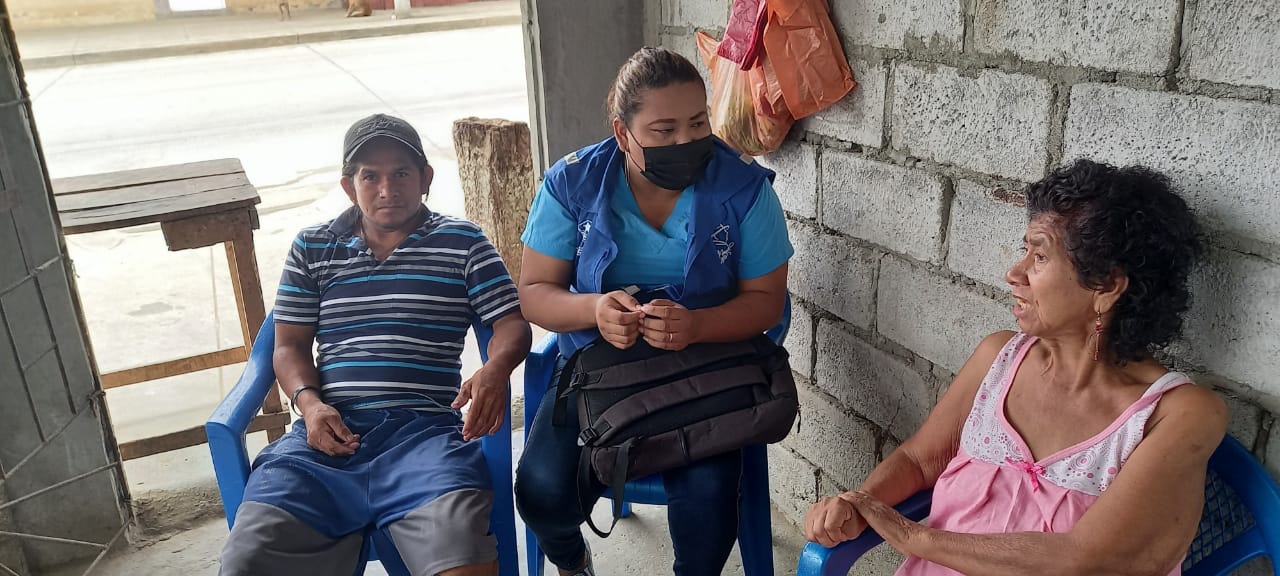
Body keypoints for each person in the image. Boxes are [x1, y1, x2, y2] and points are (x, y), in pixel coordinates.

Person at [804, 160, 1227, 576]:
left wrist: (911, 536)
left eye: (1039, 256)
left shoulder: (1180, 413)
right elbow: (920, 460)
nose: (1014, 272)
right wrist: (857, 504)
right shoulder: (999, 357)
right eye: (1024, 251)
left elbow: (1079, 559)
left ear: (1106, 286)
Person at [513, 47, 794, 576]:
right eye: (663, 131)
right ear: (623, 134)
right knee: (542, 492)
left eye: (697, 123)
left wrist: (697, 325)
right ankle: (573, 562)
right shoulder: (572, 185)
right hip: (599, 370)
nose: (686, 142)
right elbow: (534, 292)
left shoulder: (742, 189)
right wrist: (594, 309)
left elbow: (766, 302)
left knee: (709, 506)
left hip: (705, 367)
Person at [220, 113, 532, 576]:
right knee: (249, 558)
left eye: (401, 173)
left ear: (425, 178)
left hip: (425, 435)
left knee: (461, 555)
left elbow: (512, 325)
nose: (387, 189)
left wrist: (495, 368)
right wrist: (311, 406)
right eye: (371, 176)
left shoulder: (462, 242)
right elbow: (287, 347)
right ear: (350, 186)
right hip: (326, 437)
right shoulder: (313, 247)